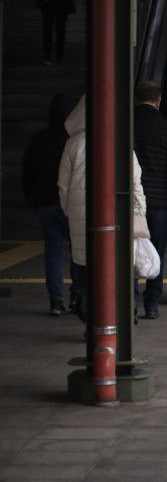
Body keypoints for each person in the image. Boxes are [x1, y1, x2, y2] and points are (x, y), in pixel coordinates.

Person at [59, 97, 147, 324]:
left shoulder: (73, 143)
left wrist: (69, 211)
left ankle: (91, 322)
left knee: (88, 272)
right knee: (119, 266)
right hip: (118, 215)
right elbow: (135, 182)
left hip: (81, 217)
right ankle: (124, 314)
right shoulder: (120, 142)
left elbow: (63, 186)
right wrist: (141, 212)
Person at [132, 81, 167, 320]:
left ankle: (131, 301)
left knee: (128, 252)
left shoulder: (126, 126)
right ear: (158, 101)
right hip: (159, 203)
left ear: (136, 99)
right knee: (156, 252)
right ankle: (152, 303)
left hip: (130, 202)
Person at [21, 94, 80, 316]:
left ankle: (56, 300)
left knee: (53, 251)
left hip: (45, 203)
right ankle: (77, 295)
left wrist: (31, 198)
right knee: (77, 250)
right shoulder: (74, 140)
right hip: (71, 203)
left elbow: (27, 171)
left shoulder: (38, 139)